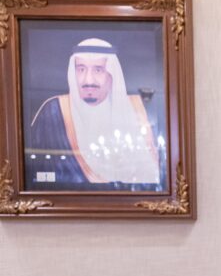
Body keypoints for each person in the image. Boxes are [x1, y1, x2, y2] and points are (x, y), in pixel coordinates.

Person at [25, 38, 162, 190]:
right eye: (81, 69)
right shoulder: (53, 111)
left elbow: (151, 181)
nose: (88, 80)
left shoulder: (137, 110)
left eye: (98, 70)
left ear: (111, 74)